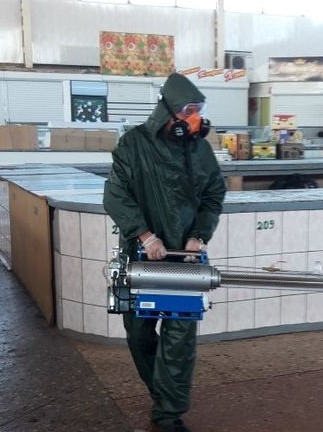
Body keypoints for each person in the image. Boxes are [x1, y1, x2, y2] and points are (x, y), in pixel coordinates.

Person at [103, 72, 227, 432]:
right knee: (139, 334)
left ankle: (168, 413)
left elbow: (214, 194)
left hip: (184, 260)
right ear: (168, 111)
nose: (194, 118)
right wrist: (145, 235)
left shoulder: (200, 150)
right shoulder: (133, 145)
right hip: (143, 255)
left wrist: (198, 237)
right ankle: (163, 393)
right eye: (188, 110)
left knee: (179, 339)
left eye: (199, 110)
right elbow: (115, 195)